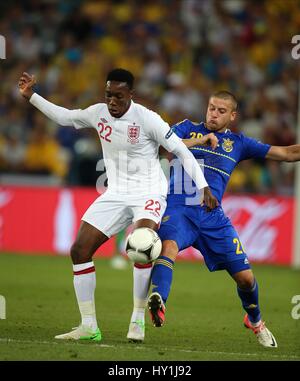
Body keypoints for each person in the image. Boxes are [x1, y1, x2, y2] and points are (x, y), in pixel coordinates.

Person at [18, 68, 218, 342]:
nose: (112, 101)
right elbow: (65, 117)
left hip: (149, 190)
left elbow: (181, 151)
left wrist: (204, 186)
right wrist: (32, 96)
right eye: (109, 95)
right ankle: (89, 326)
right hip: (116, 192)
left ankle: (137, 320)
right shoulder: (98, 112)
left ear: (131, 95)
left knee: (142, 243)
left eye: (119, 97)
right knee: (79, 250)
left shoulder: (149, 119)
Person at [147, 90, 300, 348]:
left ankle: (255, 320)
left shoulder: (239, 143)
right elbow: (160, 145)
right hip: (179, 206)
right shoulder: (186, 128)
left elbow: (286, 154)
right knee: (168, 247)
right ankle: (158, 300)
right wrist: (199, 142)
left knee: (246, 279)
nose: (213, 114)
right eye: (211, 108)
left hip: (212, 216)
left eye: (220, 111)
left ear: (232, 115)